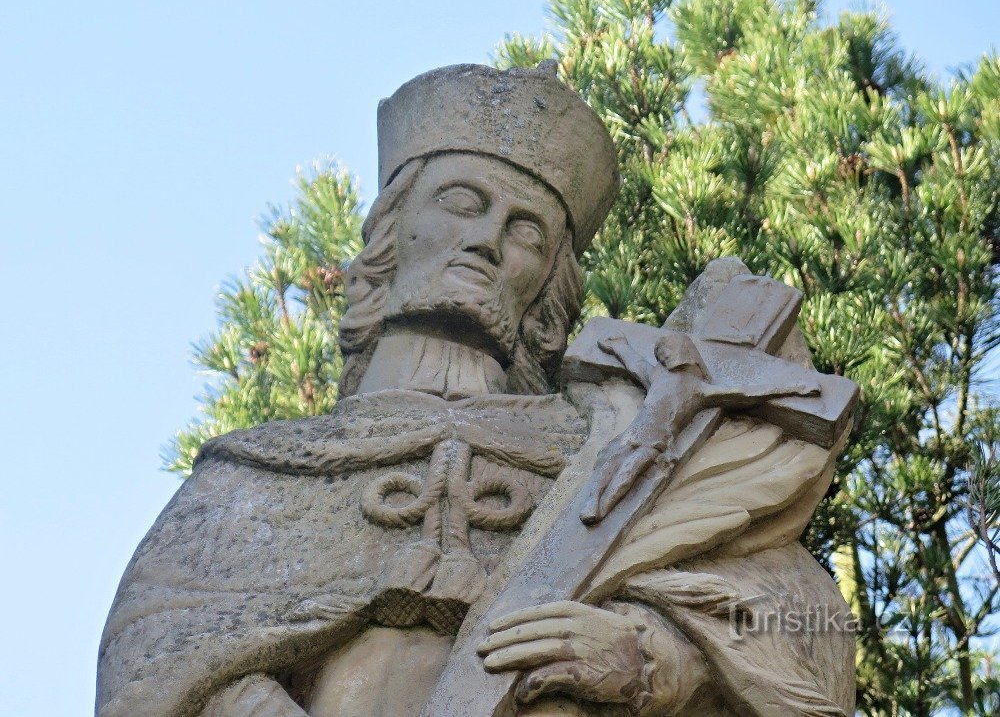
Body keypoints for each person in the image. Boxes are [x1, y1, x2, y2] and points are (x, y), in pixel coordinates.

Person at [98, 64, 854, 717]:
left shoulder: (606, 451)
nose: (489, 240)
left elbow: (800, 621)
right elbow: (152, 652)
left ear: (548, 283)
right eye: (462, 203)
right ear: (393, 232)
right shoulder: (256, 472)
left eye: (526, 231)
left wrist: (646, 657)